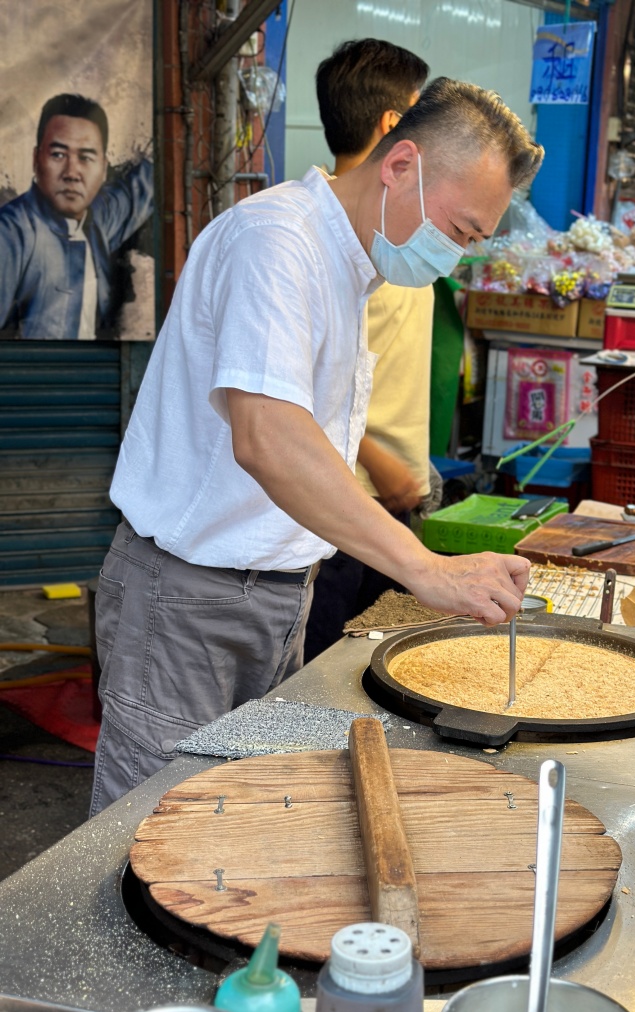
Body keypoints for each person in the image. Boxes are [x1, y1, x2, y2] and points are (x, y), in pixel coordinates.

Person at [89, 77, 544, 815]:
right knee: (147, 827)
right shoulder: (278, 242)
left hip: (275, 591)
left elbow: (317, 431)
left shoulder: (348, 264)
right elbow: (268, 437)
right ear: (400, 166)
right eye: (459, 232)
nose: (454, 257)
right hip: (188, 595)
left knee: (236, 816)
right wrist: (424, 568)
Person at [304, 38, 433, 661]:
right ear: (391, 126)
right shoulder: (315, 239)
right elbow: (285, 396)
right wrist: (377, 459)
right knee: (323, 677)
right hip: (340, 509)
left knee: (385, 670)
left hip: (394, 503)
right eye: (423, 113)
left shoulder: (401, 226)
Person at [0, 93, 154, 340]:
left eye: (85, 158)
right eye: (58, 155)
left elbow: (143, 188)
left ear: (103, 168)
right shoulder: (11, 234)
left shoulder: (97, 224)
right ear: (36, 160)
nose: (72, 173)